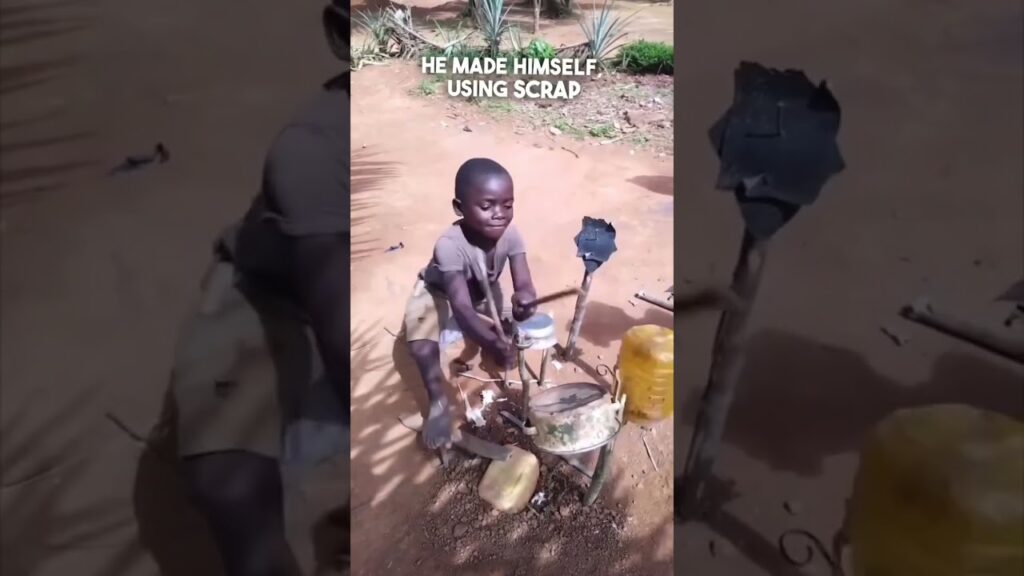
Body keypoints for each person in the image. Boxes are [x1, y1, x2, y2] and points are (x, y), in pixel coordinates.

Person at [166, 2, 349, 575]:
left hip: (382, 281)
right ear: (343, 35)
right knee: (227, 481)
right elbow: (336, 317)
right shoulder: (311, 148)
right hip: (279, 294)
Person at [402, 158, 538, 450]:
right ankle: (437, 403)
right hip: (439, 292)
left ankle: (502, 347)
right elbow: (462, 311)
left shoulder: (511, 235)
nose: (499, 214)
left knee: (518, 325)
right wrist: (490, 342)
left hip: (482, 292)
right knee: (421, 347)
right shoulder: (449, 245)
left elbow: (524, 285)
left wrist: (525, 300)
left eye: (507, 204)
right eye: (486, 206)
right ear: (459, 208)